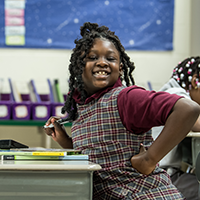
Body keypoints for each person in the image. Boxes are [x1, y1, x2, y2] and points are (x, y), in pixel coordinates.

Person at [44, 22, 200, 200]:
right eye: (93, 57)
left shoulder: (127, 98)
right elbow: (98, 156)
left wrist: (149, 159)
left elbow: (188, 109)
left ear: (121, 69)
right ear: (78, 67)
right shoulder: (82, 108)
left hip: (148, 195)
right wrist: (64, 140)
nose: (102, 63)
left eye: (110, 59)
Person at [152, 56, 200, 199]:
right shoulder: (176, 95)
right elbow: (197, 123)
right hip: (164, 177)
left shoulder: (170, 92)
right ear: (195, 81)